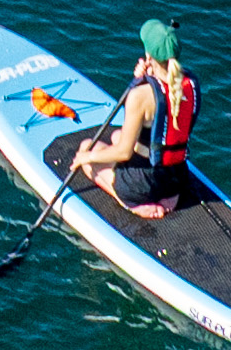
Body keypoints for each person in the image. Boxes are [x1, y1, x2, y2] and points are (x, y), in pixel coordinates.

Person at [66, 20, 197, 219]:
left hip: (143, 184)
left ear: (148, 56)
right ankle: (170, 197)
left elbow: (123, 153)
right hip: (175, 177)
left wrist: (86, 157)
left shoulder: (140, 96)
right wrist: (146, 79)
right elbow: (165, 110)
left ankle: (130, 203)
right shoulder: (191, 83)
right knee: (118, 135)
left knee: (87, 147)